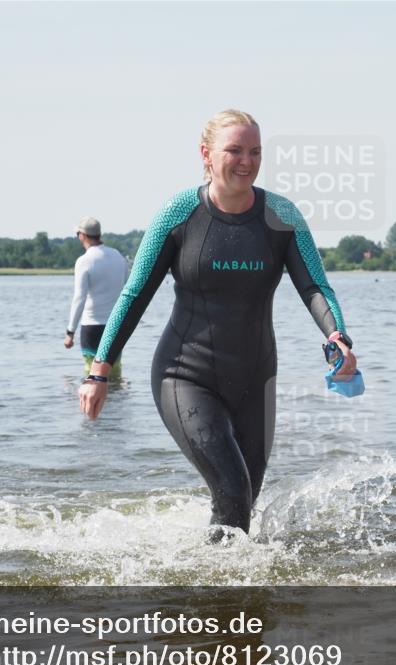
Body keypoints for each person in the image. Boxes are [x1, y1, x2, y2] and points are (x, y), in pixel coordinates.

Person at [79, 109, 359, 539]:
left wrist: (336, 335)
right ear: (206, 155)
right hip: (185, 375)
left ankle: (226, 595)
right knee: (232, 490)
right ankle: (220, 596)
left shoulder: (281, 215)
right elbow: (135, 295)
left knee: (244, 502)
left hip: (256, 380)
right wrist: (100, 371)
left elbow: (315, 286)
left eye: (255, 151)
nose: (246, 161)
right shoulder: (179, 212)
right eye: (234, 150)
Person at [64, 217, 129, 379]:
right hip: (115, 325)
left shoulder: (84, 261)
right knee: (114, 370)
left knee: (91, 372)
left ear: (82, 235)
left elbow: (80, 297)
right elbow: (127, 291)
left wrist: (70, 332)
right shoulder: (118, 257)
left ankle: (95, 404)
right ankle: (116, 402)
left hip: (92, 326)